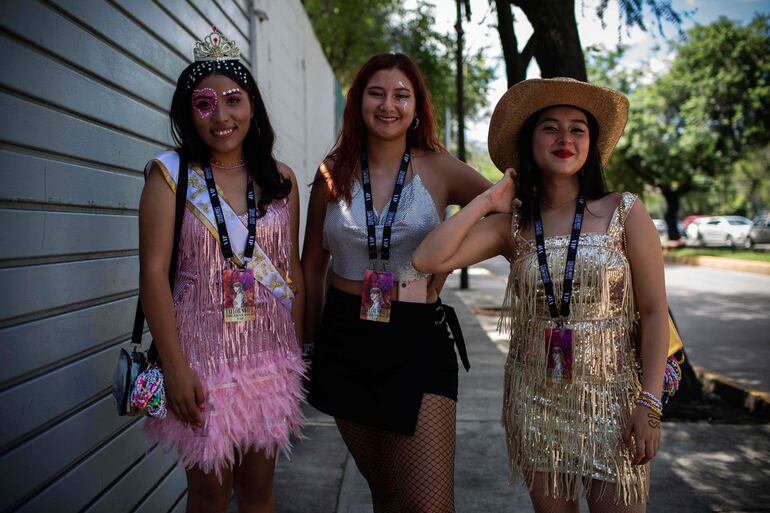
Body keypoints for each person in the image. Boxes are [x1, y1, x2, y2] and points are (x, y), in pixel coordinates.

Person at [412, 78, 669, 512]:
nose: (565, 138)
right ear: (529, 142)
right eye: (550, 127)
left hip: (614, 403)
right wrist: (488, 199)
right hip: (536, 400)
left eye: (578, 129)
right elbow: (427, 259)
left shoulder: (625, 211)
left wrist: (650, 402)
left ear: (591, 143)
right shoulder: (512, 226)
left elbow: (655, 311)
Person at [302, 53, 491, 512]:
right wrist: (304, 347)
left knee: (428, 506)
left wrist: (445, 264)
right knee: (386, 494)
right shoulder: (332, 173)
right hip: (343, 340)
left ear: (417, 105)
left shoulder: (438, 166)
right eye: (377, 93)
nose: (389, 105)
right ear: (358, 102)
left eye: (401, 95)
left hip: (417, 338)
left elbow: (499, 207)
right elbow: (310, 268)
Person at [138, 27, 305, 513]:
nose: (222, 116)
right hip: (199, 359)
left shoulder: (282, 179)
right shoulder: (169, 175)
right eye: (205, 103)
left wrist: (293, 356)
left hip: (270, 358)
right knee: (210, 494)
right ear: (188, 113)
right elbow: (152, 274)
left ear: (252, 105)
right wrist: (172, 365)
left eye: (233, 100)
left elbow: (290, 270)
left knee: (258, 491)